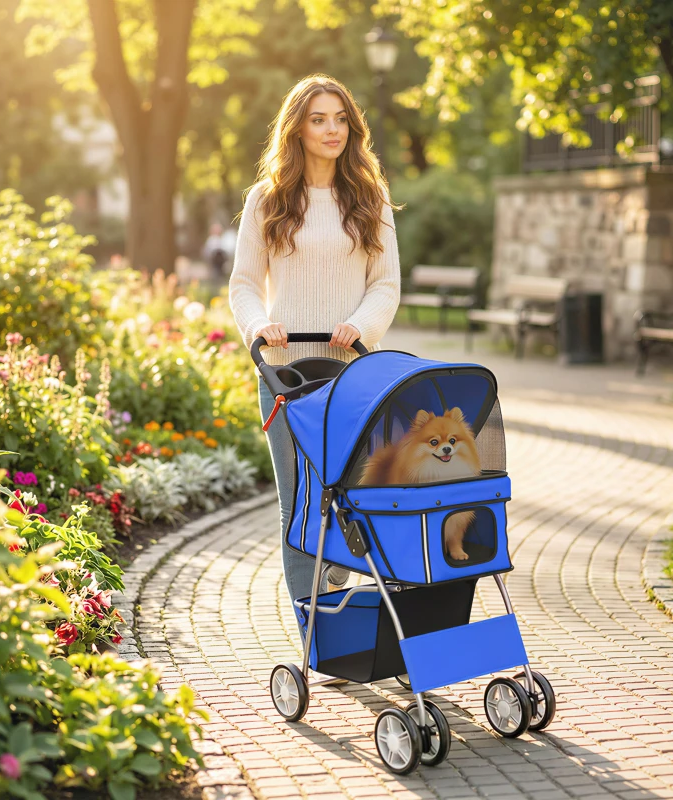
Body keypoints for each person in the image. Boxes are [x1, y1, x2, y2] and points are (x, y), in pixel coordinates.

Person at [228, 74, 401, 626]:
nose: (332, 130)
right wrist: (259, 325)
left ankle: (338, 592)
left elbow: (386, 284)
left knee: (348, 495)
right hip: (284, 374)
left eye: (341, 119)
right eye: (318, 119)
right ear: (297, 129)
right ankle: (314, 631)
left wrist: (359, 324)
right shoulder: (267, 198)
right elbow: (244, 284)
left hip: (351, 375)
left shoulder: (370, 197)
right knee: (299, 503)